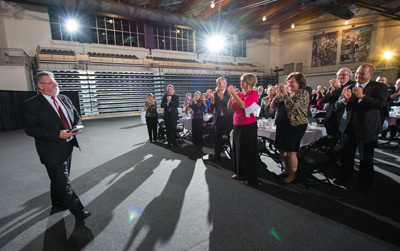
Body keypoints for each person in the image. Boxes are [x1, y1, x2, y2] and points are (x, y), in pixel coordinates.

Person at [23, 71, 90, 222]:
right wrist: (57, 134)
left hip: (67, 146)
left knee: (59, 178)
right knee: (63, 182)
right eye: (51, 83)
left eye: (55, 82)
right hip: (50, 150)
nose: (56, 85)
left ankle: (58, 201)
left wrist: (76, 126)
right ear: (41, 86)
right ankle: (79, 211)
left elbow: (76, 115)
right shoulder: (32, 104)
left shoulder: (64, 98)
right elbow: (31, 129)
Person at [335, 64, 389, 193]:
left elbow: (380, 105)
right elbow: (338, 104)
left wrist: (363, 98)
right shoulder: (349, 86)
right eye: (357, 73)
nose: (359, 76)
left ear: (370, 75)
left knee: (366, 158)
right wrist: (345, 101)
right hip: (348, 127)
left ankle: (365, 183)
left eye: (362, 74)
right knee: (346, 155)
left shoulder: (379, 87)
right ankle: (345, 176)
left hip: (367, 128)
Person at [271, 72, 309, 184]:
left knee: (291, 151)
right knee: (281, 148)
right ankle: (287, 168)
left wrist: (286, 95)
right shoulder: (288, 93)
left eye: (292, 81)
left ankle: (293, 174)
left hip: (295, 125)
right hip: (282, 125)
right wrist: (278, 96)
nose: (289, 84)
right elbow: (273, 105)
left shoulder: (302, 93)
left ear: (299, 83)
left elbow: (292, 107)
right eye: (288, 81)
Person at [227, 73, 259, 185]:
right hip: (237, 124)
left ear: (249, 82)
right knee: (236, 149)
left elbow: (244, 105)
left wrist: (235, 95)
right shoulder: (239, 93)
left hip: (248, 125)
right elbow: (229, 107)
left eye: (243, 81)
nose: (241, 83)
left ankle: (248, 176)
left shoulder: (253, 93)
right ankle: (238, 171)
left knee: (246, 151)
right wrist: (232, 96)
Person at [322, 67, 354, 136]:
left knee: (341, 136)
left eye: (343, 75)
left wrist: (337, 89)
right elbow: (324, 100)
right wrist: (331, 91)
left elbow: (342, 97)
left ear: (349, 76)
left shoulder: (352, 85)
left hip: (342, 115)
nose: (340, 77)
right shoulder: (332, 86)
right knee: (330, 135)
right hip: (331, 115)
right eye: (339, 75)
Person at [209, 77, 234, 160]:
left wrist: (221, 99)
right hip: (218, 118)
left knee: (230, 138)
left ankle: (233, 157)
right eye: (217, 83)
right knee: (218, 138)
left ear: (225, 83)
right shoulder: (215, 93)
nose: (218, 85)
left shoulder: (230, 93)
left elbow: (229, 106)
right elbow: (212, 108)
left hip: (228, 119)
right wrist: (212, 101)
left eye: (219, 83)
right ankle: (217, 156)